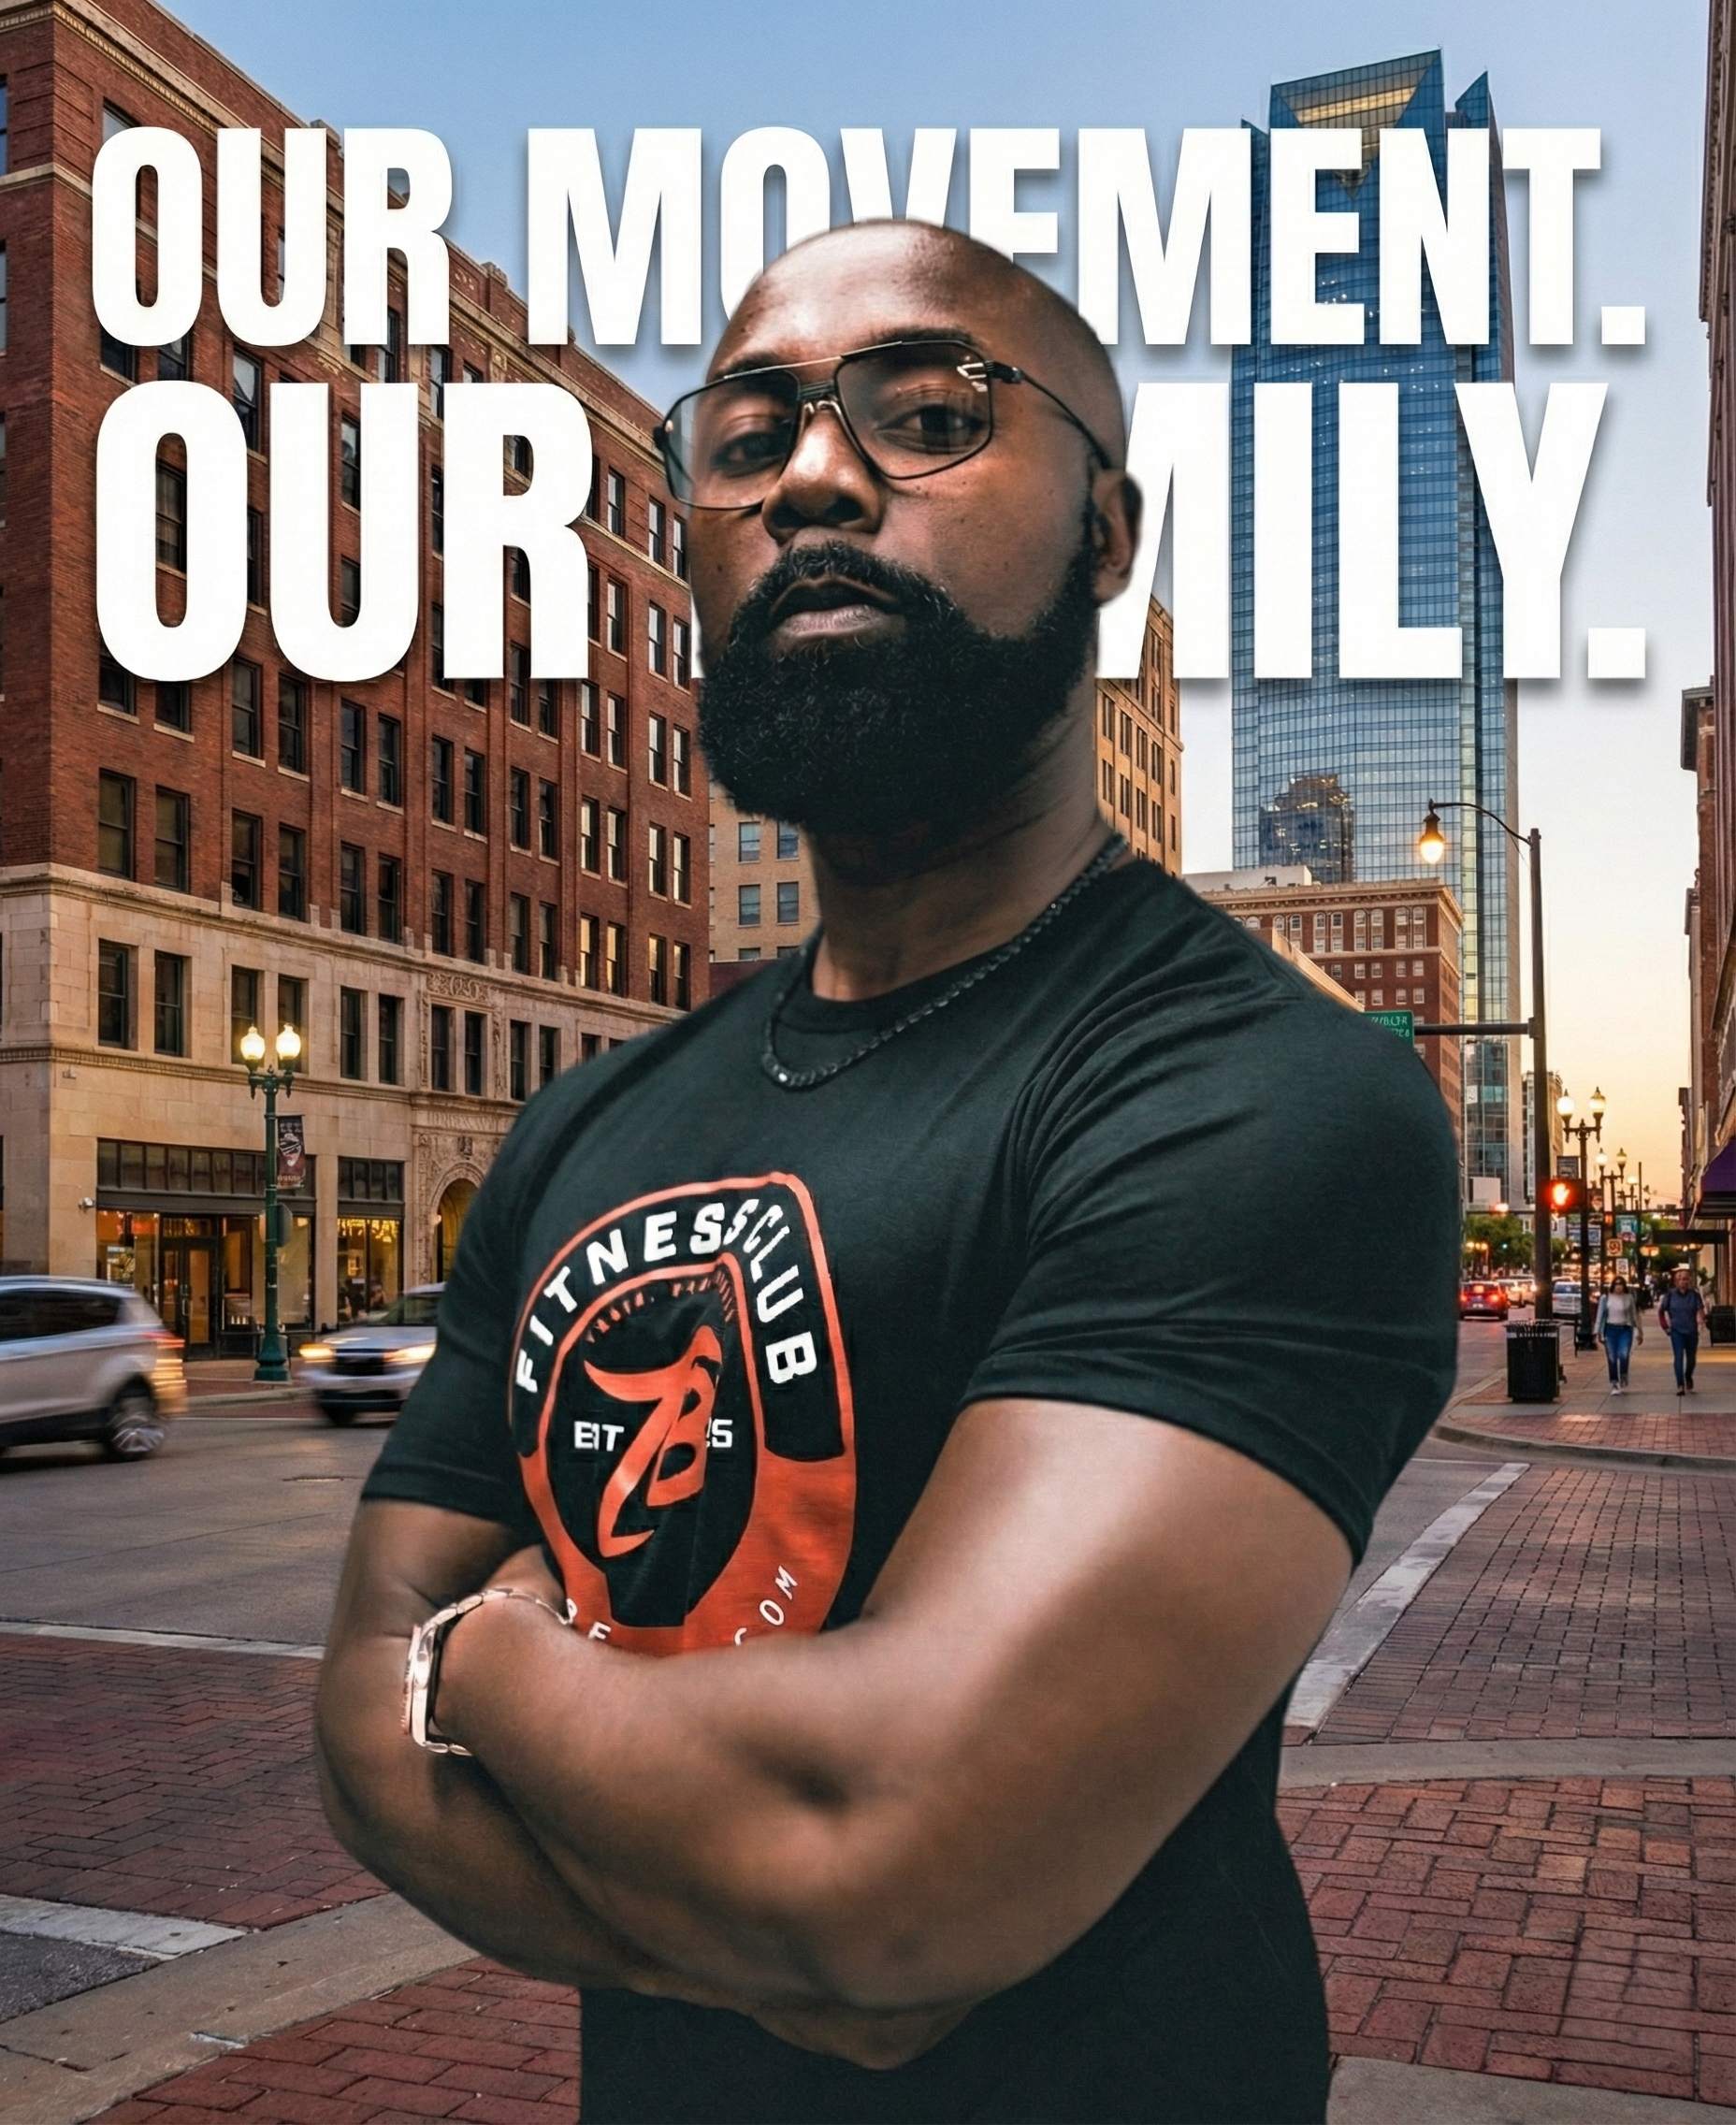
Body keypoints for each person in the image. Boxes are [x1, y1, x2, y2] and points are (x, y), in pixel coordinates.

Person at [314, 221, 1461, 2125]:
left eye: (929, 413)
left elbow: (880, 1870)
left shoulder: (1256, 1091)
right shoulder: (588, 1126)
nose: (816, 475)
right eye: (748, 435)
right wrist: (776, 1905)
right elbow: (348, 1738)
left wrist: (486, 1665)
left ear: (1106, 535)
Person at [1659, 1265, 1708, 1394]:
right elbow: (1661, 1312)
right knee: (1679, 1357)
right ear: (1676, 1281)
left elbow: (1700, 1309)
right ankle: (1680, 1384)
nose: (1684, 1282)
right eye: (1681, 1279)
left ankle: (1688, 1376)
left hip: (1692, 1331)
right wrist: (1665, 1327)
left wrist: (1702, 1320)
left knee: (1691, 1359)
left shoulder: (1694, 1295)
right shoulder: (1670, 1295)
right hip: (1676, 1331)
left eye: (1686, 1279)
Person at [1593, 1275, 1642, 1393]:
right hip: (1610, 1329)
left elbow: (1634, 1315)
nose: (1618, 1286)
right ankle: (1615, 1382)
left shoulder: (1629, 1298)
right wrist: (1597, 1332)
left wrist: (1639, 1331)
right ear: (1613, 1285)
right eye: (1616, 1284)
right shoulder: (1606, 1298)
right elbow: (1600, 1316)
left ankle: (1623, 1374)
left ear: (1624, 1286)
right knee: (1612, 1357)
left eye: (1621, 1284)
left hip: (1625, 1329)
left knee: (1623, 1355)